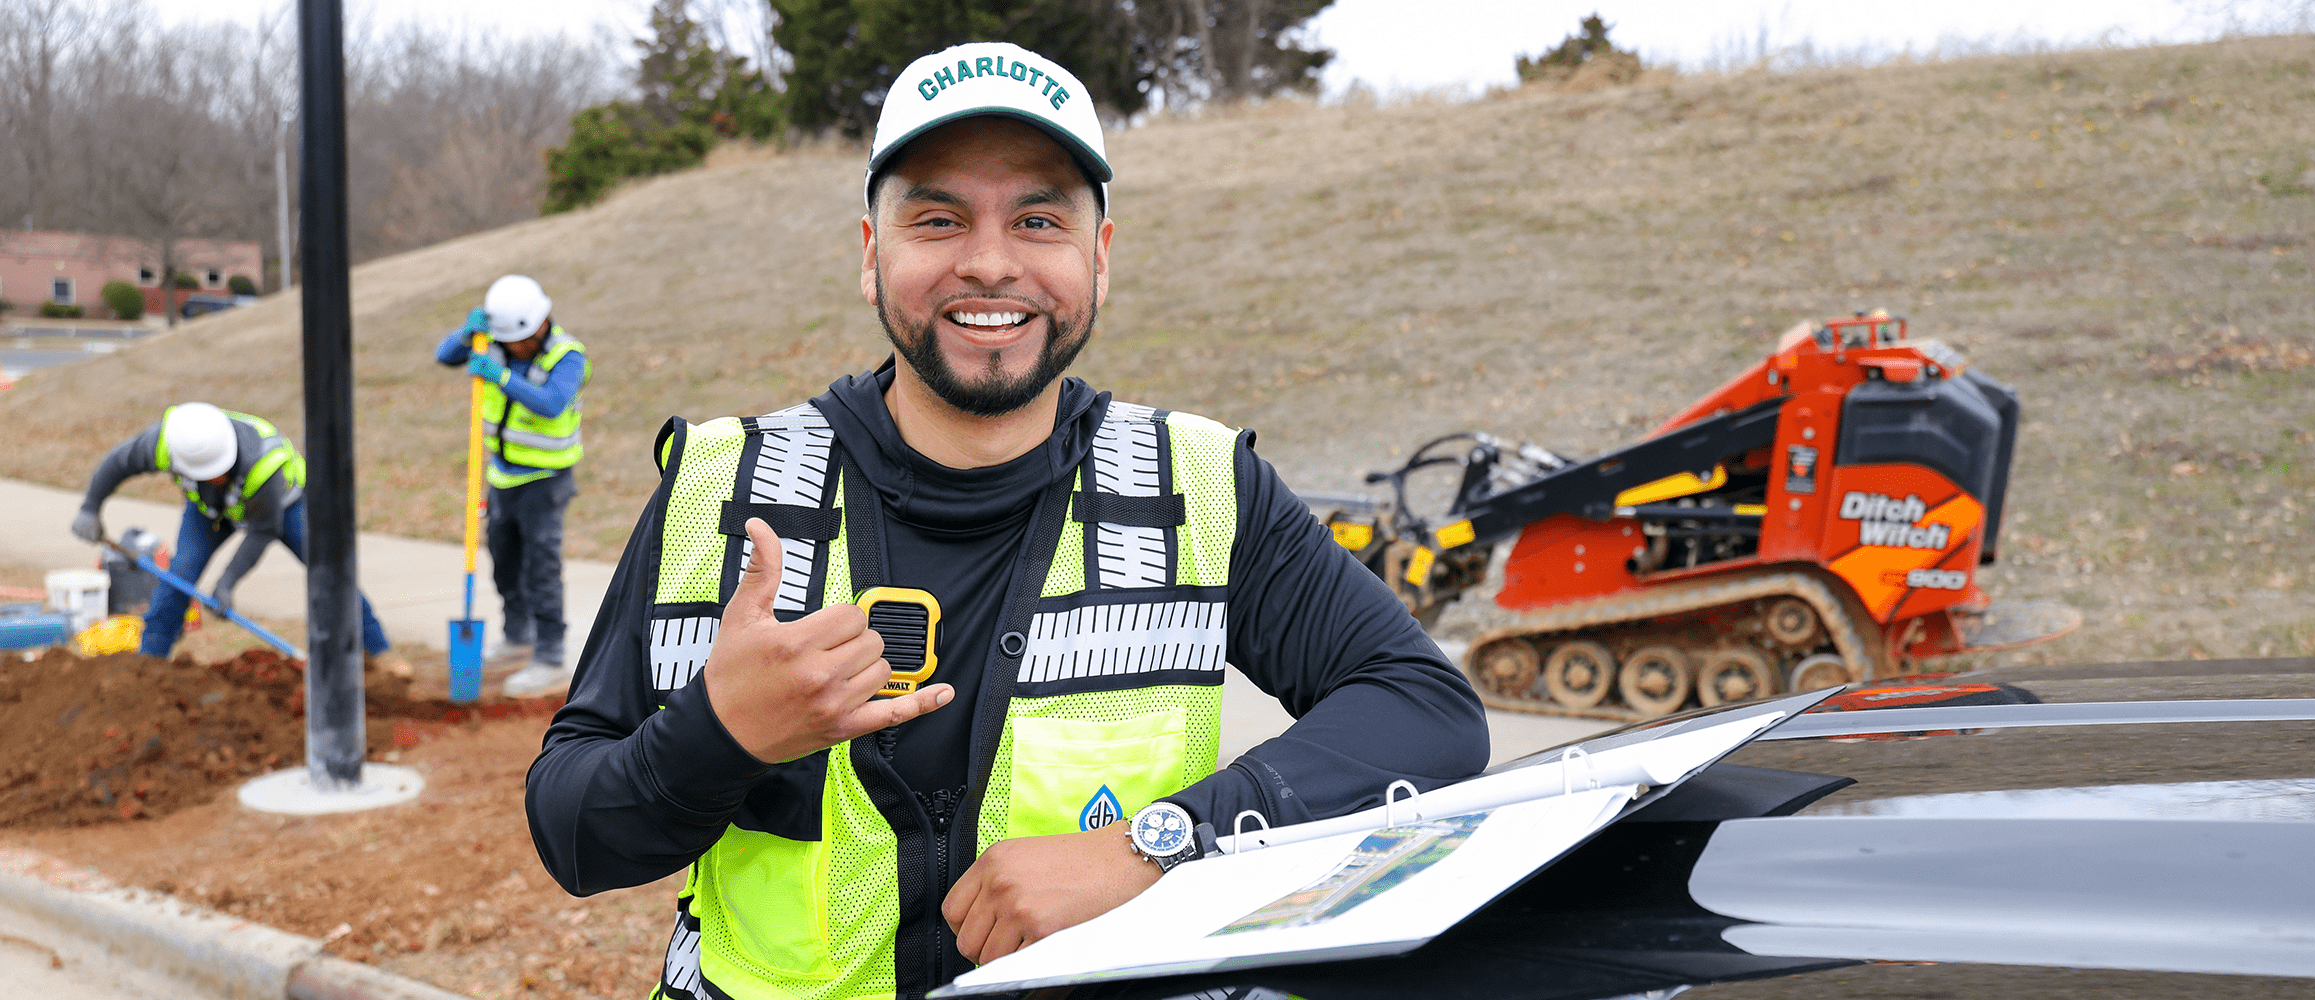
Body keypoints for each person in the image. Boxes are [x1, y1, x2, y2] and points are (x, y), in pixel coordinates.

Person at [523, 42, 1488, 1000]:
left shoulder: (1202, 487)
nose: (989, 263)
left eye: (1038, 219)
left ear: (1098, 260)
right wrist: (718, 734)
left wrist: (1155, 845)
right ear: (873, 256)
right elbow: (573, 835)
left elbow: (1427, 711)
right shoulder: (722, 488)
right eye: (938, 218)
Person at [71, 402, 409, 674]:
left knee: (332, 572)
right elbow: (117, 463)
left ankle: (379, 651)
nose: (214, 476)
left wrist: (227, 584)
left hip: (285, 508)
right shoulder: (169, 441)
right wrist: (90, 508)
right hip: (208, 512)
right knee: (178, 579)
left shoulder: (265, 463)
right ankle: (148, 664)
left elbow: (263, 531)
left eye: (218, 471)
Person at [434, 275, 589, 697]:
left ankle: (551, 656)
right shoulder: (497, 343)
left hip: (546, 481)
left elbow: (552, 402)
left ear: (539, 326)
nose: (511, 347)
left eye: (516, 340)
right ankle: (517, 638)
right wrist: (466, 334)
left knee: (541, 568)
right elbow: (444, 356)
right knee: (504, 562)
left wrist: (501, 378)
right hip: (501, 477)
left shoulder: (567, 355)